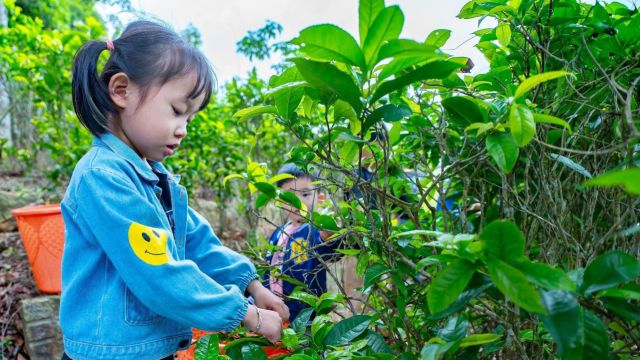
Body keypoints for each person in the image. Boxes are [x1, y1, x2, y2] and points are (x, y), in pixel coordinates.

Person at [60, 20, 288, 360]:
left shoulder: (154, 178)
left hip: (149, 349)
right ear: (121, 90)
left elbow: (197, 242)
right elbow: (158, 275)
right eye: (177, 111)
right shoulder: (103, 177)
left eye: (190, 119)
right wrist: (246, 314)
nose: (182, 130)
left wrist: (251, 285)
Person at [263, 164, 342, 322]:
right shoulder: (278, 232)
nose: (297, 202)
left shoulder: (315, 229)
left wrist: (328, 235)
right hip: (274, 311)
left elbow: (330, 251)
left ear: (320, 198)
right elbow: (268, 267)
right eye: (289, 197)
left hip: (305, 314)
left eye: (305, 194)